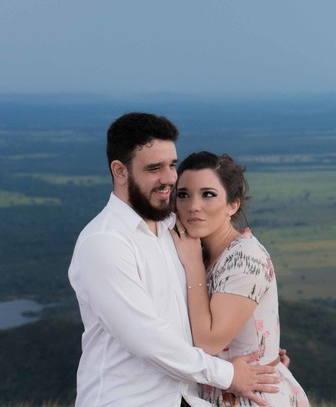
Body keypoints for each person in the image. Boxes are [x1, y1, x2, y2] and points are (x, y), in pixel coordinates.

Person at [69, 112, 280, 407]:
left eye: (171, 165)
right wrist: (229, 373)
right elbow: (148, 341)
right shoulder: (106, 243)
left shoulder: (175, 227)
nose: (169, 177)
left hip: (185, 399)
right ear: (120, 171)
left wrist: (261, 352)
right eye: (154, 168)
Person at [172, 151, 309, 407]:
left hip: (253, 396)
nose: (193, 206)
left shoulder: (245, 258)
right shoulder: (200, 251)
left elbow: (209, 341)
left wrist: (192, 266)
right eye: (183, 195)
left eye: (208, 194)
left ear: (233, 205)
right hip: (220, 390)